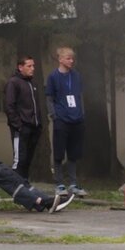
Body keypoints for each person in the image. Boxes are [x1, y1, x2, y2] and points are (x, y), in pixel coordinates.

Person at [45, 46, 86, 196]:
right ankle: (59, 184)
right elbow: (49, 98)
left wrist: (82, 114)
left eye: (72, 58)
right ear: (60, 59)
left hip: (77, 119)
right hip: (61, 119)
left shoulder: (76, 76)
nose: (71, 61)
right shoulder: (53, 77)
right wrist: (54, 116)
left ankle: (73, 184)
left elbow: (79, 96)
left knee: (74, 153)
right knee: (59, 152)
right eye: (68, 58)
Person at [4, 55, 42, 180]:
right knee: (20, 159)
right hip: (21, 128)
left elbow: (36, 105)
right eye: (29, 66)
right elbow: (9, 106)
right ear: (20, 67)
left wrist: (39, 124)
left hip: (34, 127)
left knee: (28, 159)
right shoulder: (13, 82)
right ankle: (16, 187)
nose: (32, 69)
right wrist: (18, 125)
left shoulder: (32, 83)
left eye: (33, 66)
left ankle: (25, 186)